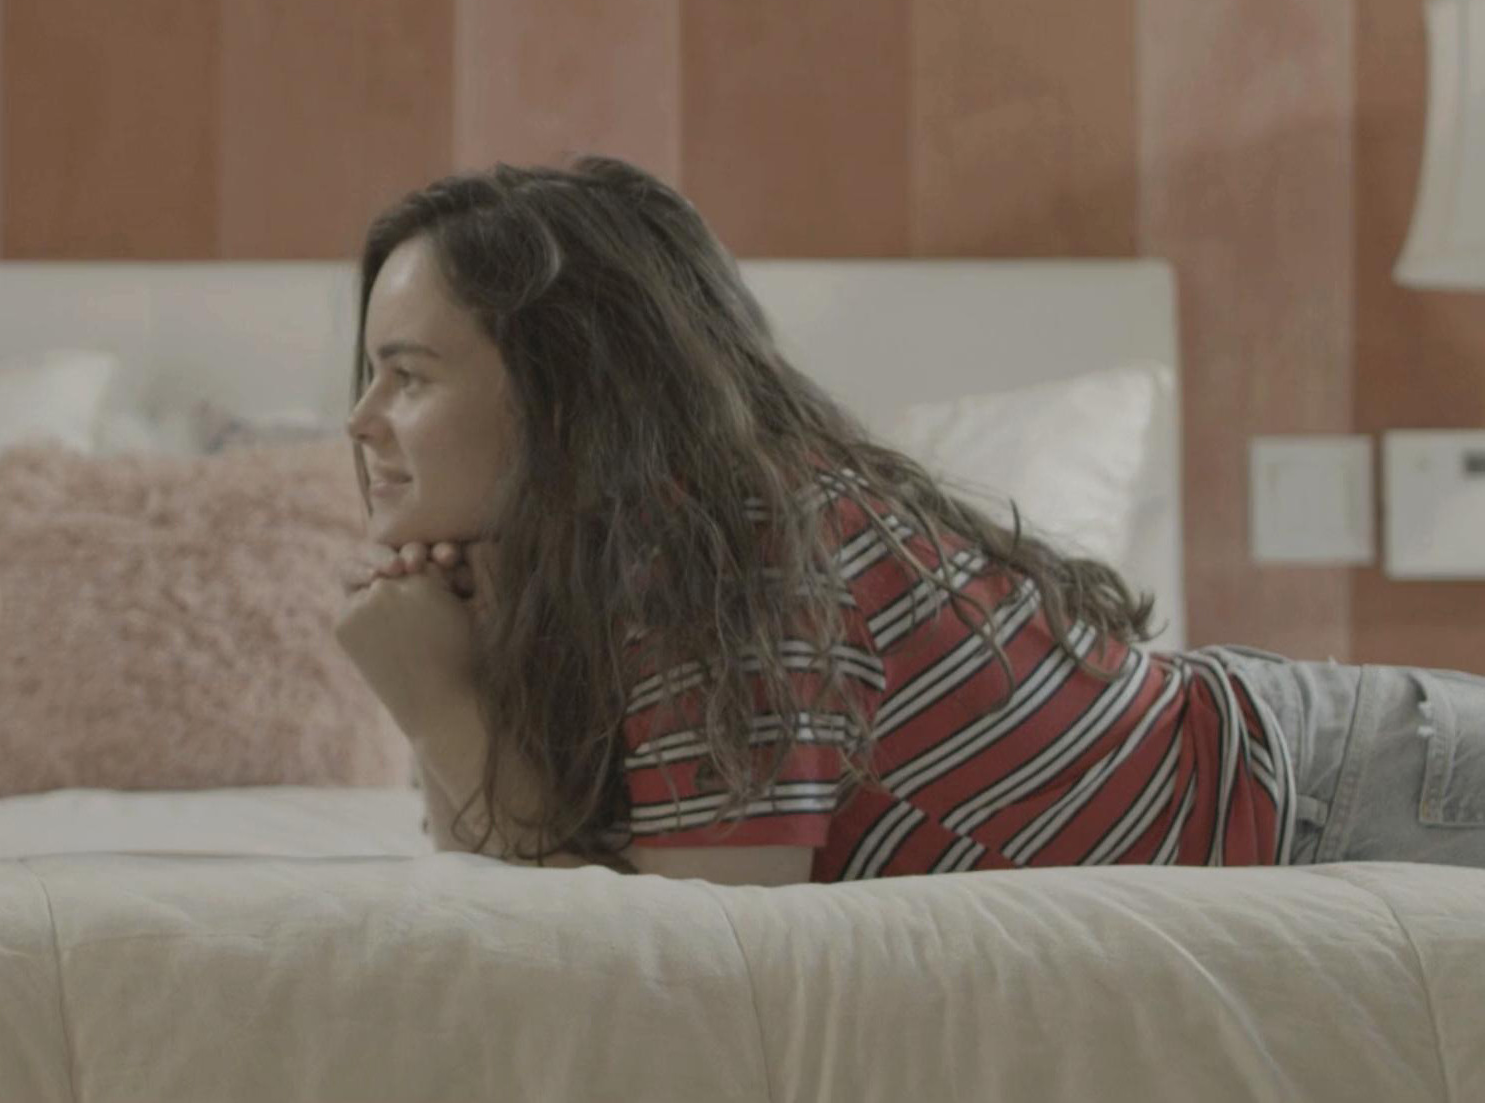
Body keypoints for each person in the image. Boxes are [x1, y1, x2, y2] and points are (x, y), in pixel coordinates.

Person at [334, 156, 1485, 883]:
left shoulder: (724, 545)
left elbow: (689, 977)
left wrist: (439, 702)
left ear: (566, 388)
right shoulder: (598, 566)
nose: (360, 417)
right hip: (1321, 778)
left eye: (409, 374)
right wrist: (462, 677)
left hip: (1355, 796)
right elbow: (515, 900)